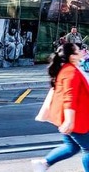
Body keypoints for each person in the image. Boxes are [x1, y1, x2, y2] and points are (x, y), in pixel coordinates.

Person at [31, 43, 89, 172]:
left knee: (71, 147)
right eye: (78, 50)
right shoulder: (70, 72)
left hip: (70, 116)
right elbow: (69, 97)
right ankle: (44, 163)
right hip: (76, 118)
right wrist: (69, 120)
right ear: (72, 56)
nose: (82, 51)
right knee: (88, 148)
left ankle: (44, 163)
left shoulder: (67, 69)